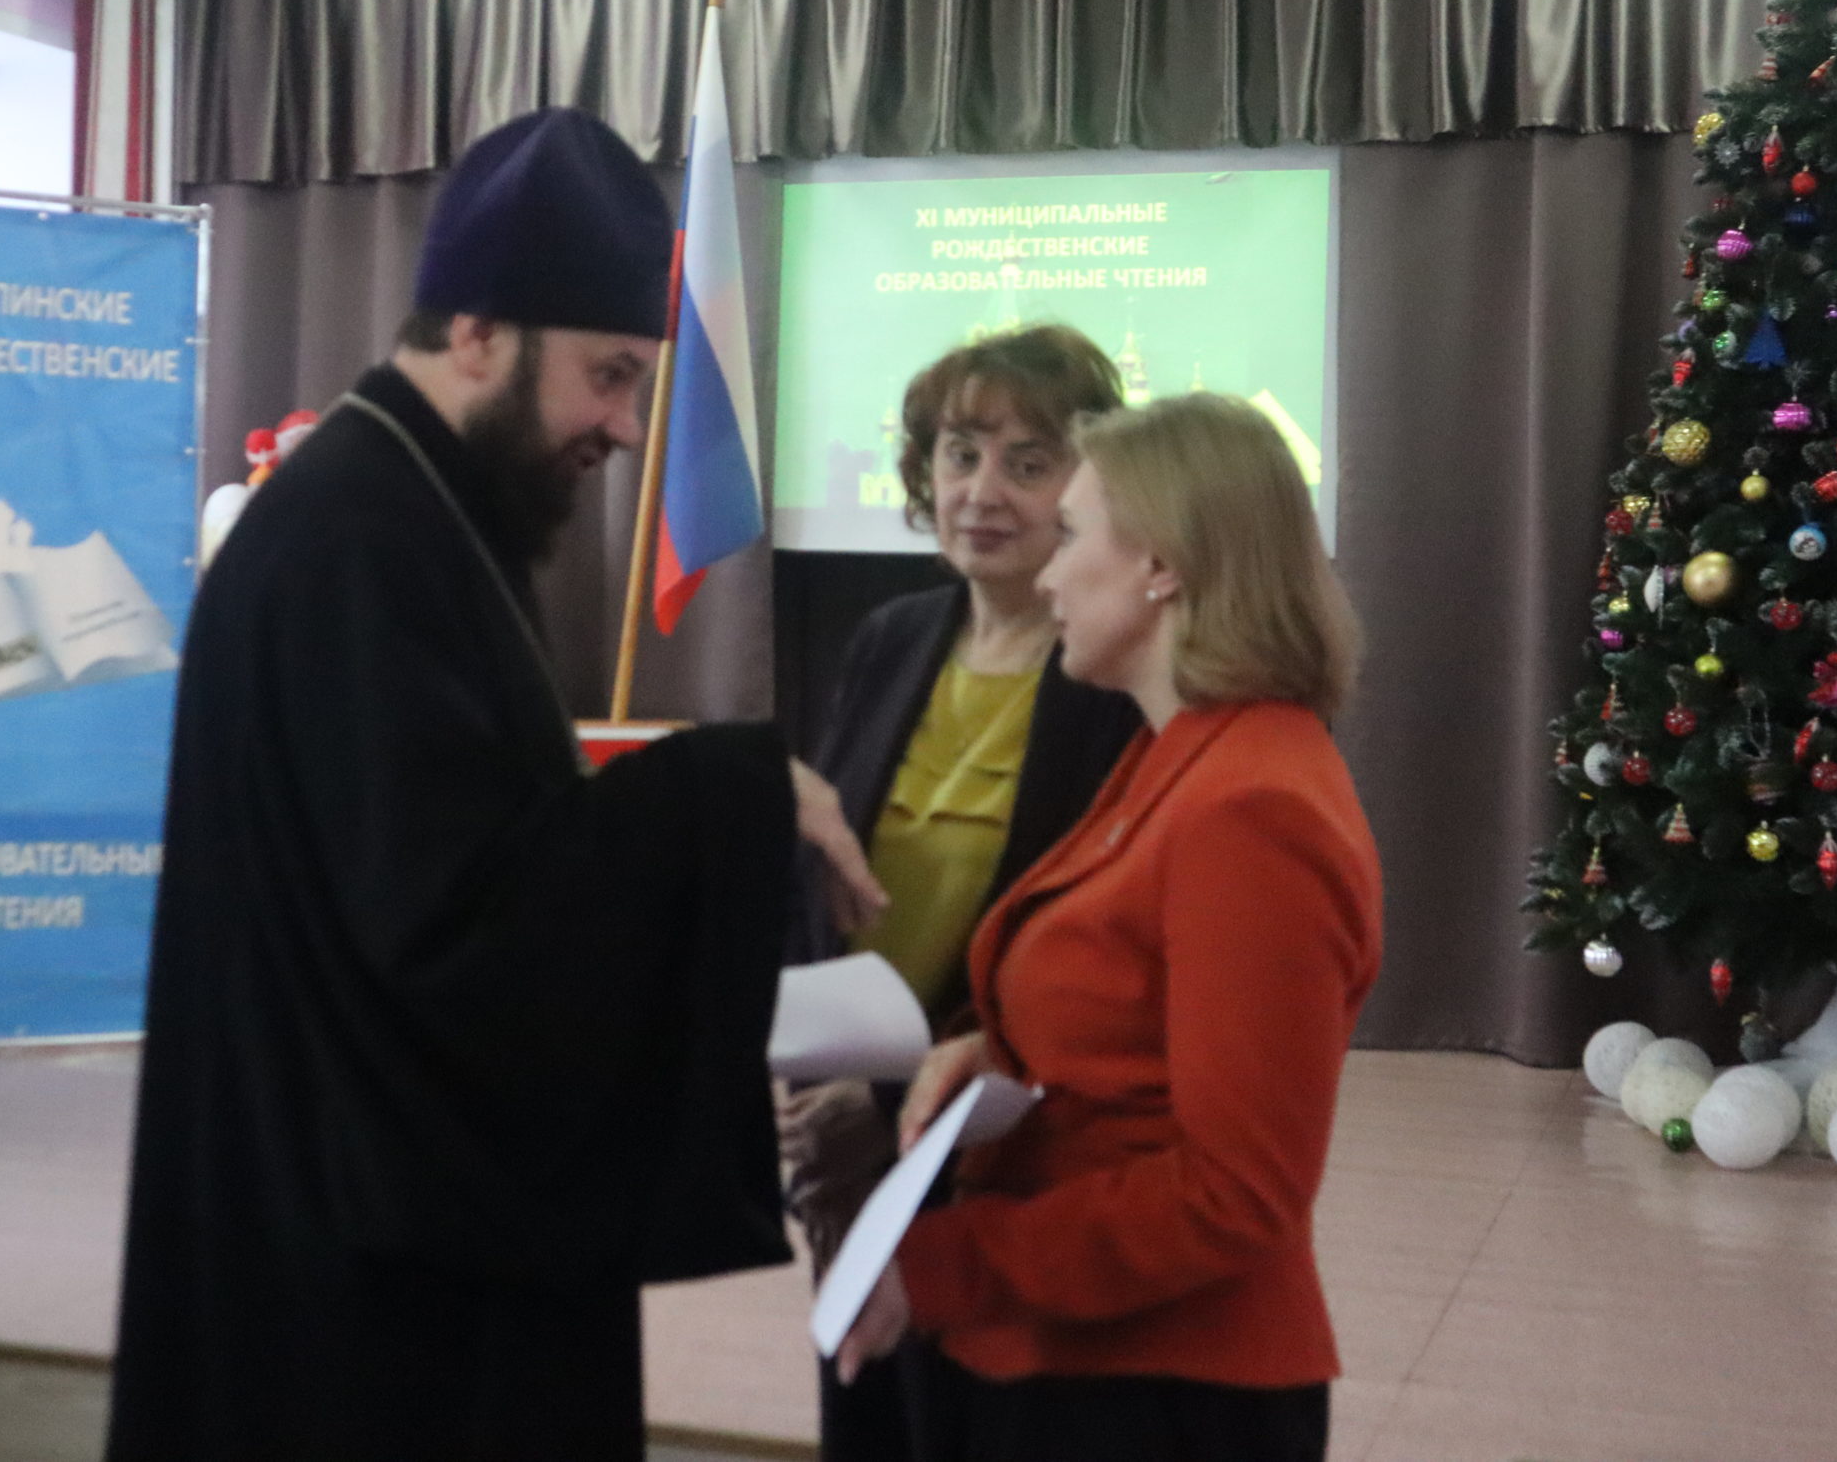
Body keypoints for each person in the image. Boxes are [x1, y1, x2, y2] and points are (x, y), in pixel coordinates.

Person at [106, 107, 888, 1462]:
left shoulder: (410, 508)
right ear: (477, 332)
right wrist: (737, 788)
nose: (626, 425)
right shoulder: (361, 543)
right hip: (352, 1294)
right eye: (608, 376)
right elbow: (454, 929)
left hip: (339, 1219)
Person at [835, 392, 1380, 1462]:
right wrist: (997, 1051)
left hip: (1158, 1389)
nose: (1047, 577)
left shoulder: (1249, 807)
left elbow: (1238, 1191)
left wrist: (944, 1265)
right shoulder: (1182, 751)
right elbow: (1132, 1020)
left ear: (1162, 565)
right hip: (1080, 1356)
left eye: (1073, 533)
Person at [782, 324, 1145, 1461]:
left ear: (1085, 490)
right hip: (847, 1127)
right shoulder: (891, 639)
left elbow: (1093, 941)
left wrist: (911, 1079)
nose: (981, 491)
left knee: (973, 1420)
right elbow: (825, 869)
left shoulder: (1109, 675)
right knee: (863, 1408)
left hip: (1001, 1129)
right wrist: (811, 1067)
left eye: (1027, 464)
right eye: (958, 454)